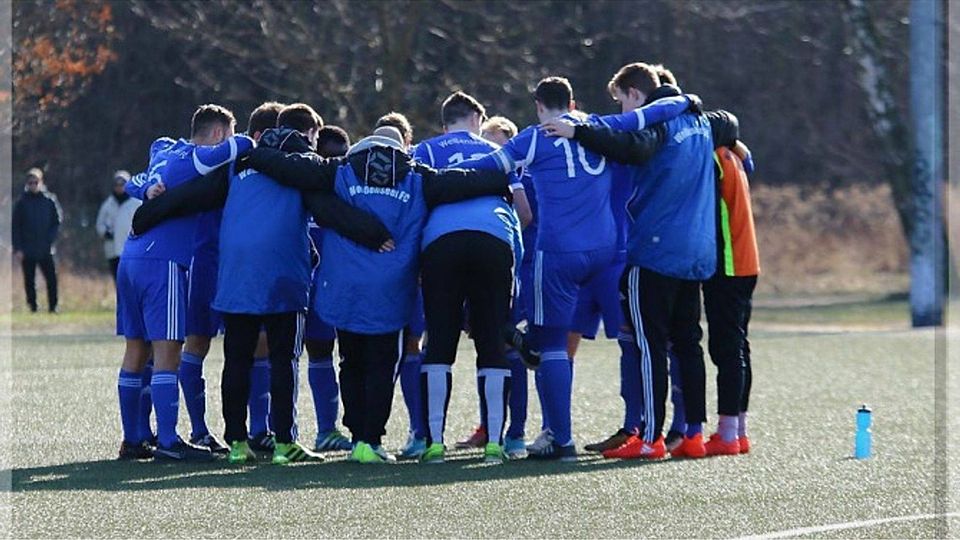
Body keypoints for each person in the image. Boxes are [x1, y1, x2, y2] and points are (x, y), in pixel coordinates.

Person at [245, 125, 512, 464]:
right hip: (390, 288)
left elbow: (287, 167)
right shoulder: (419, 178)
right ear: (401, 146)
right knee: (383, 366)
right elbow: (469, 181)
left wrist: (248, 151)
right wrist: (503, 179)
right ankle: (371, 440)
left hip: (345, 285)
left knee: (350, 361)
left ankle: (357, 435)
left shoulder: (337, 170)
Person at [460, 76, 695, 461]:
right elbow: (655, 118)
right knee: (641, 339)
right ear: (573, 103)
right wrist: (692, 100)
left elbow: (487, 167)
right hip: (615, 252)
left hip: (560, 254)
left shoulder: (535, 138)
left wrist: (430, 171)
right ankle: (652, 427)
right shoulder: (600, 127)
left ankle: (560, 437)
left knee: (549, 345)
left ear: (538, 106)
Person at [541, 63, 739, 460]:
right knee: (688, 343)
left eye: (620, 101)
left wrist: (579, 130)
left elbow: (632, 147)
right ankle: (694, 434)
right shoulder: (700, 121)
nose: (620, 111)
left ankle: (650, 438)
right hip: (697, 252)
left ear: (635, 95)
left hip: (656, 250)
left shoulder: (659, 124)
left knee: (651, 347)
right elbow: (730, 123)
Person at [116, 104, 253, 461]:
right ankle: (168, 441)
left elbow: (132, 182)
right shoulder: (198, 157)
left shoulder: (163, 150)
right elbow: (242, 146)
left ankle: (133, 440)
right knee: (168, 352)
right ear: (219, 132)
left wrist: (144, 192)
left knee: (136, 350)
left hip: (130, 257)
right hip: (164, 262)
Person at [411, 91, 523, 464]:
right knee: (491, 341)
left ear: (445, 123)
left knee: (440, 342)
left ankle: (435, 444)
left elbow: (415, 204)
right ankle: (494, 443)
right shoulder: (496, 152)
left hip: (441, 244)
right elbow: (519, 210)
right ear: (478, 119)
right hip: (494, 240)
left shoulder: (424, 151)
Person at [305, 124, 354, 452]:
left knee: (342, 355)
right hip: (316, 282)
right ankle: (327, 428)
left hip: (342, 280)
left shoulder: (349, 187)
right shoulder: (304, 187)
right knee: (322, 352)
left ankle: (345, 427)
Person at [12, 168, 62, 313]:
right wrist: (18, 248)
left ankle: (53, 306)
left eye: (36, 182)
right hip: (27, 248)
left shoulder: (49, 200)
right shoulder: (21, 203)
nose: (33, 185)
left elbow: (56, 222)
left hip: (46, 248)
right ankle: (33, 307)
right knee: (29, 280)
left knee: (51, 279)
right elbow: (16, 227)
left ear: (41, 182)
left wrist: (50, 240)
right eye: (30, 182)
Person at [95, 170, 140, 283]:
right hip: (113, 250)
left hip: (131, 250)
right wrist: (105, 232)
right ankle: (121, 301)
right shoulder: (108, 204)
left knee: (132, 281)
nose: (120, 187)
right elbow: (100, 223)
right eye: (117, 185)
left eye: (122, 185)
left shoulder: (136, 203)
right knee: (118, 281)